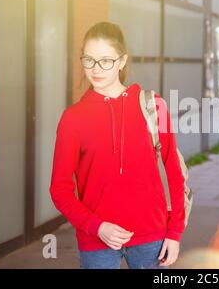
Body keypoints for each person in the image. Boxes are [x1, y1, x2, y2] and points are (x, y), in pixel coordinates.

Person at [50, 22, 186, 269]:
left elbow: (174, 173)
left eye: (106, 61)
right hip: (97, 241)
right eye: (88, 60)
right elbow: (59, 189)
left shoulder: (155, 107)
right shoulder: (73, 118)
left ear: (122, 61)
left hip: (152, 239)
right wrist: (97, 227)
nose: (95, 69)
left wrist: (175, 232)